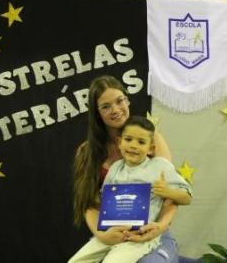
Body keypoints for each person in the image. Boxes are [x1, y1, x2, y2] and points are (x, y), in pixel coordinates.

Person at [72, 75, 185, 263]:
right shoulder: (86, 152)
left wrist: (160, 226)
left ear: (128, 100)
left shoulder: (152, 139)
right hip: (111, 235)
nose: (115, 110)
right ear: (96, 112)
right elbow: (88, 204)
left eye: (119, 101)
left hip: (152, 235)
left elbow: (170, 196)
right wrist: (102, 235)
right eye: (106, 106)